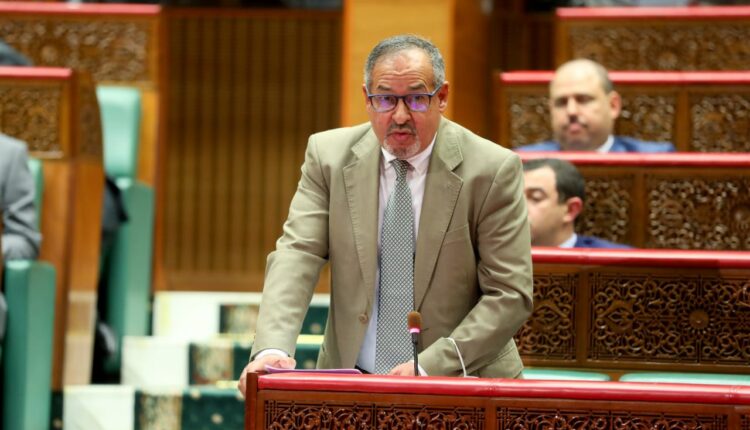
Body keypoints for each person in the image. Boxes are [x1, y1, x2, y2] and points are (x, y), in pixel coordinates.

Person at [238, 34, 533, 394]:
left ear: (442, 97)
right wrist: (272, 349)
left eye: (417, 98)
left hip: (462, 381)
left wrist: (431, 365)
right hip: (351, 378)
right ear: (367, 98)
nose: (400, 116)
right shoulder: (328, 156)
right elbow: (298, 253)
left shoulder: (491, 169)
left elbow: (510, 294)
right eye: (386, 99)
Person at [515, 59, 675, 153]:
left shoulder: (656, 159)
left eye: (583, 100)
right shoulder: (524, 163)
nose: (571, 111)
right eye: (561, 102)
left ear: (613, 106)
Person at [523, 158, 631, 248]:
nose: (518, 207)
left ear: (570, 210)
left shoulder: (618, 261)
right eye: (515, 198)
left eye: (535, 197)